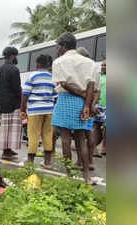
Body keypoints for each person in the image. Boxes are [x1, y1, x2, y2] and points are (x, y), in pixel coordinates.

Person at [51, 32, 97, 184]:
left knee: (65, 140)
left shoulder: (58, 62)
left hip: (65, 100)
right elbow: (91, 85)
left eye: (58, 46)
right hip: (82, 102)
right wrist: (86, 103)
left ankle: (69, 175)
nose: (57, 49)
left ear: (63, 46)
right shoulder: (90, 63)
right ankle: (86, 176)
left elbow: (63, 83)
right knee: (80, 140)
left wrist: (81, 94)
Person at [20, 54, 57, 168]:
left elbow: (25, 94)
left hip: (35, 110)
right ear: (48, 65)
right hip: (49, 110)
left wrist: (22, 109)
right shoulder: (52, 77)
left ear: (38, 64)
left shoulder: (32, 76)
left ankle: (30, 161)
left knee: (33, 134)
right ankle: (47, 162)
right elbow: (55, 96)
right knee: (47, 134)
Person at [0, 47, 22, 160]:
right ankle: (6, 153)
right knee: (11, 128)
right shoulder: (14, 69)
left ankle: (7, 150)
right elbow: (17, 88)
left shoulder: (0, 69)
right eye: (15, 56)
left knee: (5, 128)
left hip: (3, 102)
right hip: (12, 103)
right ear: (12, 56)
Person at [95, 60, 106, 156]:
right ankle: (92, 148)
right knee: (96, 127)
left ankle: (104, 147)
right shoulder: (99, 76)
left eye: (105, 65)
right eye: (102, 65)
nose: (102, 67)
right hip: (99, 105)